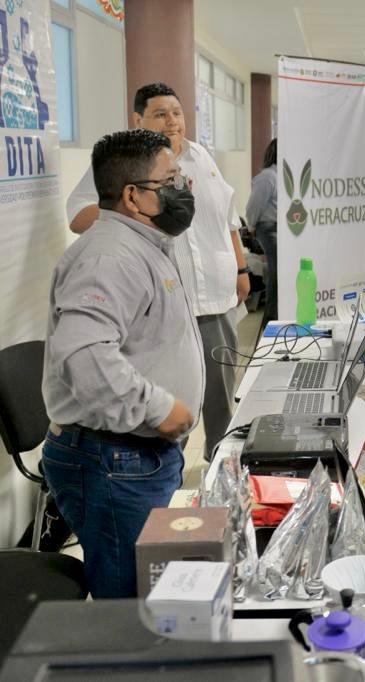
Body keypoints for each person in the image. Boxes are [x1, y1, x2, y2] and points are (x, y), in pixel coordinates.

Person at [41, 129, 204, 599]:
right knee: (129, 600)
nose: (182, 189)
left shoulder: (145, 244)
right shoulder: (109, 257)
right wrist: (159, 407)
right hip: (113, 460)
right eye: (170, 181)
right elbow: (83, 354)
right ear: (133, 196)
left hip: (135, 455)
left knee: (147, 587)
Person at [66, 83, 248, 461]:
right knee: (170, 400)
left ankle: (221, 467)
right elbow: (78, 215)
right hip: (165, 305)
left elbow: (227, 219)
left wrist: (241, 268)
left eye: (177, 113)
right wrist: (138, 205)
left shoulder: (201, 157)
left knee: (220, 397)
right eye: (160, 114)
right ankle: (162, 473)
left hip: (216, 300)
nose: (172, 121)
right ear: (139, 119)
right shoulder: (126, 163)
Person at [247, 138, 278, 320]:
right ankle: (271, 319)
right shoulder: (268, 177)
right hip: (269, 228)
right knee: (277, 274)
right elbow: (254, 206)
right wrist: (251, 226)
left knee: (280, 274)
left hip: (282, 229)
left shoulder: (282, 175)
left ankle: (276, 316)